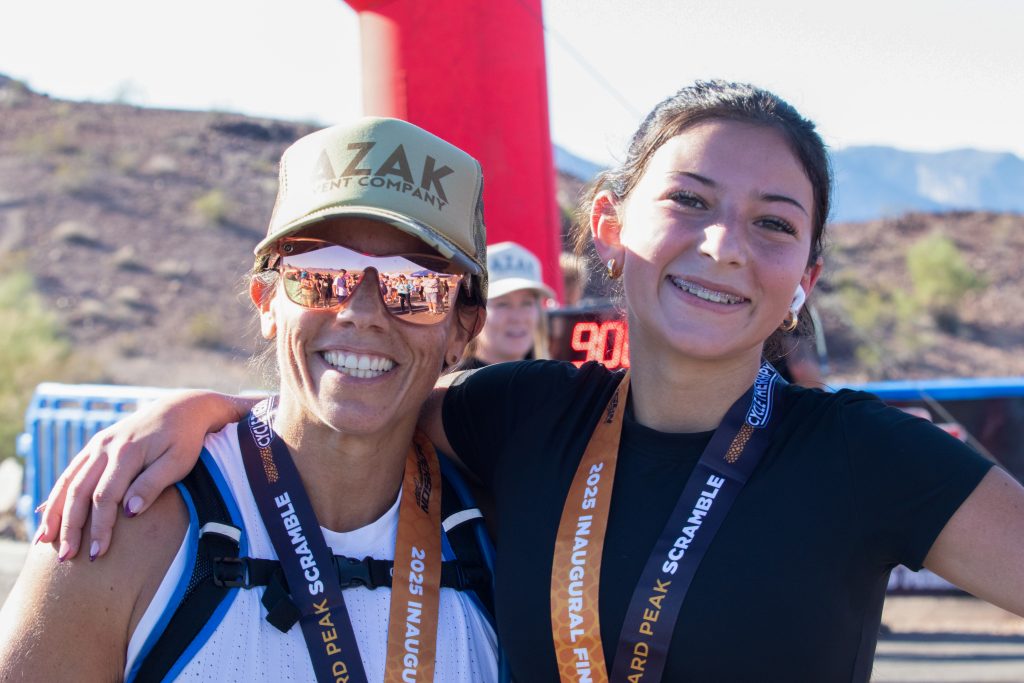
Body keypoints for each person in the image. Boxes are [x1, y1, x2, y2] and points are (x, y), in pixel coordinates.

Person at [31, 81, 1024, 682]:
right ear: (608, 232)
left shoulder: (865, 454)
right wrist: (201, 413)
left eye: (773, 222)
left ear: (805, 277)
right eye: (686, 199)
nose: (723, 245)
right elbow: (349, 403)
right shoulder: (522, 417)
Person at [0, 117, 499, 682]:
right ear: (266, 301)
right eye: (321, 274)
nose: (360, 312)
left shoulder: (505, 536)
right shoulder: (123, 529)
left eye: (414, 287)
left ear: (464, 329)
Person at [458, 241, 555, 370]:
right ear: (472, 314)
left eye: (527, 303)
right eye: (502, 304)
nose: (517, 317)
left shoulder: (550, 383)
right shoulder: (452, 387)